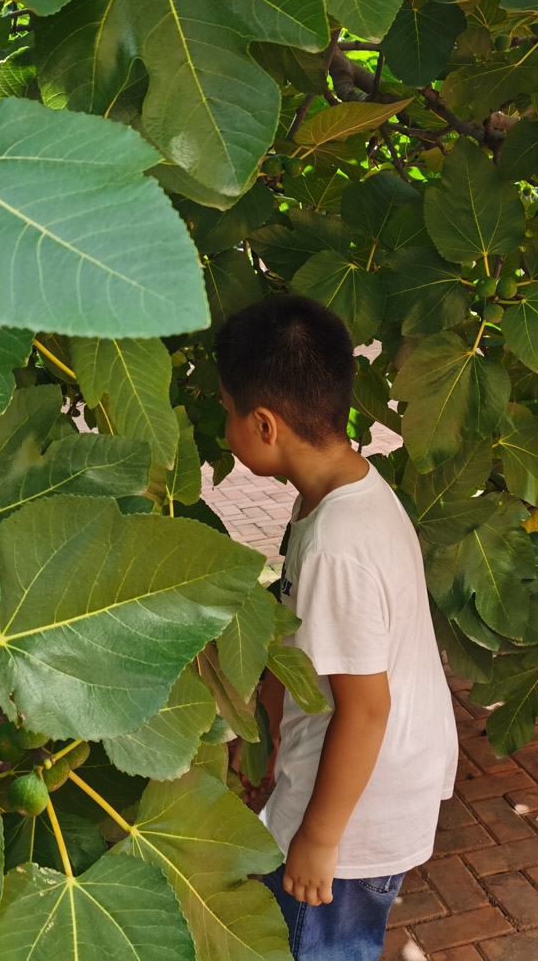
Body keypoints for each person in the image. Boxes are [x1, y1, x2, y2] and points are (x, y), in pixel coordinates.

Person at [214, 295, 458, 961]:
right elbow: (310, 649)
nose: (225, 426)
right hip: (352, 783)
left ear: (264, 424)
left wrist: (319, 837)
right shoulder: (339, 495)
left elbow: (366, 707)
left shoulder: (337, 542)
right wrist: (265, 734)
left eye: (227, 412)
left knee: (310, 946)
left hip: (354, 813)